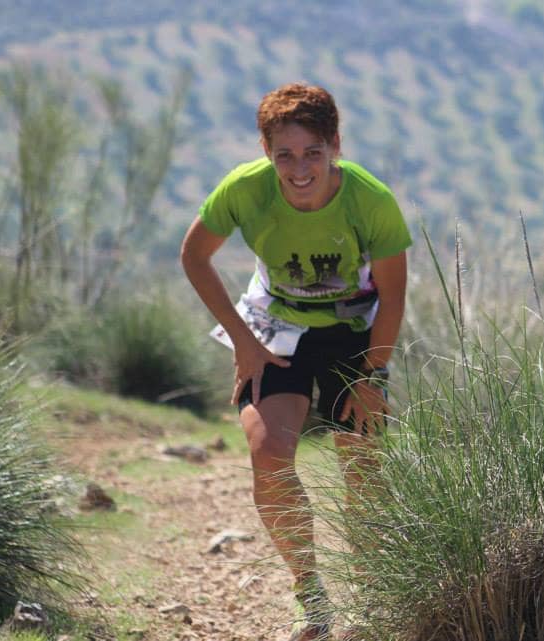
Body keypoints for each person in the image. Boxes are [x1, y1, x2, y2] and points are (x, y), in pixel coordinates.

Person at [180, 83, 411, 641]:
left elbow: (394, 294)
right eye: (285, 154)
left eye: (312, 152)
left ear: (335, 144)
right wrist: (242, 341)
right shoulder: (246, 189)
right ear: (266, 151)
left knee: (363, 471)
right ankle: (313, 601)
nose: (299, 168)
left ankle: (376, 598)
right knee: (268, 451)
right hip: (276, 329)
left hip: (354, 334)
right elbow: (194, 256)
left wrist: (372, 376)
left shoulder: (369, 199)